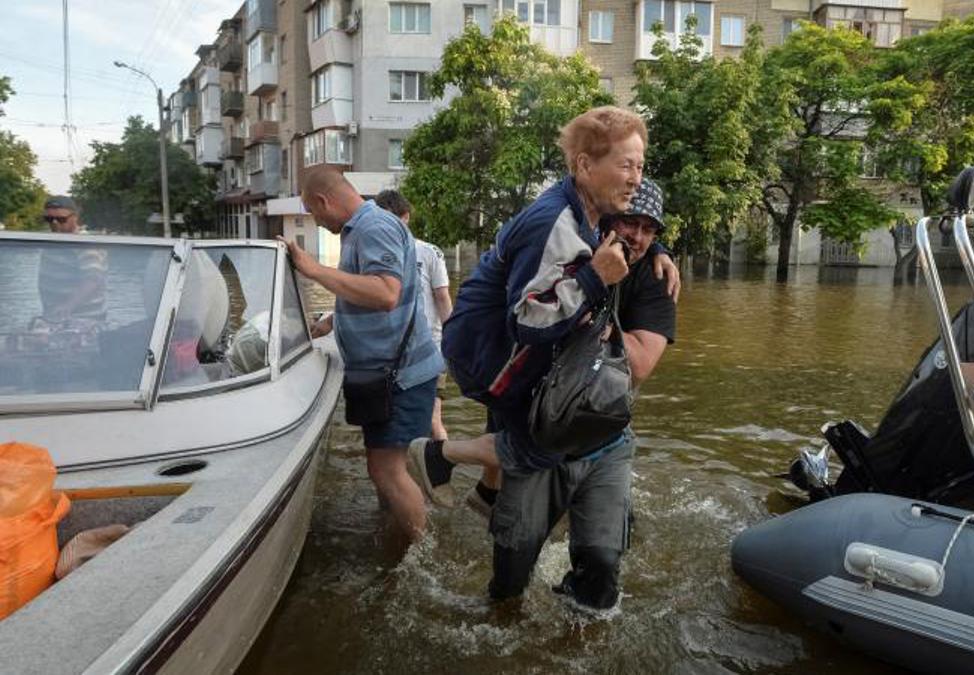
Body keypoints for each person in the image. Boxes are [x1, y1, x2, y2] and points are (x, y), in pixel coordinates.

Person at [409, 107, 678, 610]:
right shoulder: (559, 224)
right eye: (627, 167)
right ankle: (438, 457)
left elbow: (626, 234)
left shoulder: (593, 218)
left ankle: (486, 495)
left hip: (524, 369)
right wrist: (597, 278)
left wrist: (656, 247)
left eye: (641, 167)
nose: (636, 177)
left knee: (546, 460)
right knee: (537, 450)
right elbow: (526, 322)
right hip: (491, 359)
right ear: (583, 166)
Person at [281, 166, 444, 548]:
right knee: (389, 469)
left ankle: (427, 556)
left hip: (401, 376)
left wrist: (313, 269)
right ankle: (396, 538)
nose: (318, 223)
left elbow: (385, 293)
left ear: (323, 201)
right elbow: (376, 296)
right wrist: (333, 322)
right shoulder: (363, 229)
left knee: (385, 469)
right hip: (389, 375)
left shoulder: (374, 227)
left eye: (314, 213)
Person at [374, 189, 454, 441]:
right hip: (391, 353)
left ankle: (440, 474)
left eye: (391, 219)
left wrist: (454, 339)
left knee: (432, 420)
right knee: (394, 424)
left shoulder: (429, 251)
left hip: (429, 348)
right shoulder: (375, 253)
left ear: (405, 217)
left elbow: (442, 297)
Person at [36, 196, 106, 324]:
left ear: (75, 217)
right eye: (49, 219)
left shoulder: (84, 243)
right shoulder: (55, 240)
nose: (54, 223)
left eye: (61, 219)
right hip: (55, 318)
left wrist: (67, 306)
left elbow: (93, 279)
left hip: (82, 320)